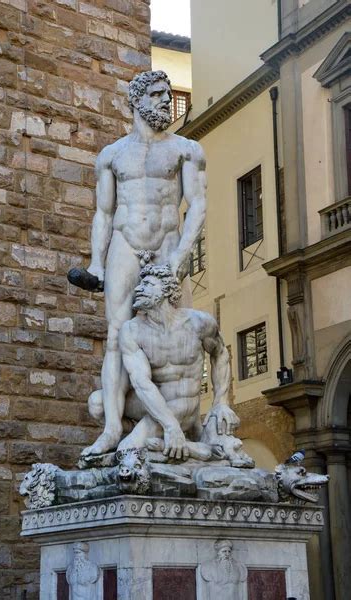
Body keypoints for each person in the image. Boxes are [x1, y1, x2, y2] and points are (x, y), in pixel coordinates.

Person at [71, 70, 207, 456]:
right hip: (124, 247)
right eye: (158, 94)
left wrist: (180, 258)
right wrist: (96, 262)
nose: (167, 100)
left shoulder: (186, 149)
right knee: (116, 335)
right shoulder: (111, 155)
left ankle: (178, 423)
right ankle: (113, 428)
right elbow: (103, 212)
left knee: (177, 333)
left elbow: (197, 205)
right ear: (136, 101)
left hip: (167, 246)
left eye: (168, 93)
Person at [87, 264, 238, 459]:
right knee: (97, 403)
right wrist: (170, 425)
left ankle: (183, 444)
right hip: (152, 402)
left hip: (183, 402)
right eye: (140, 285)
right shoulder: (132, 330)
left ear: (167, 290)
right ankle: (151, 433)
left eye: (148, 284)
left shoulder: (199, 323)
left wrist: (221, 401)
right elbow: (141, 384)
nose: (139, 289)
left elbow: (220, 354)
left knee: (127, 451)